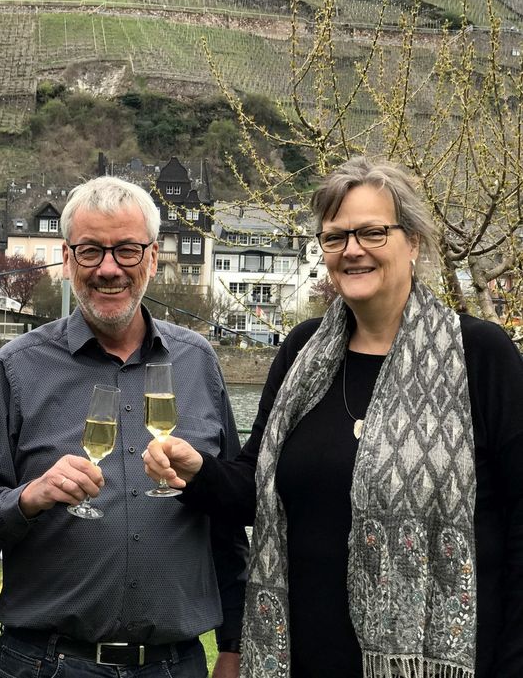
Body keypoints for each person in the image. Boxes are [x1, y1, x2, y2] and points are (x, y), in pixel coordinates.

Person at [144, 157, 523, 678]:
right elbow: (257, 489)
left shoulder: (478, 353)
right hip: (304, 653)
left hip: (446, 662)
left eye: (372, 232)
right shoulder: (303, 352)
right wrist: (198, 472)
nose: (352, 250)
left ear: (412, 241)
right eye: (335, 237)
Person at [0, 176, 249, 678]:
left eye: (127, 250)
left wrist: (234, 643)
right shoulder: (16, 367)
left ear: (154, 258)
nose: (109, 269)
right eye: (92, 251)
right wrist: (29, 497)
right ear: (69, 258)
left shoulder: (197, 362)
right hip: (45, 663)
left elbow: (228, 515)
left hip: (173, 665)